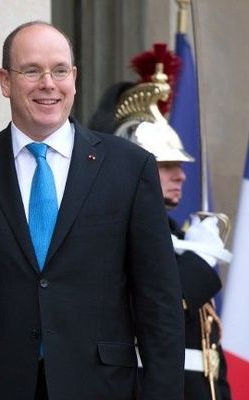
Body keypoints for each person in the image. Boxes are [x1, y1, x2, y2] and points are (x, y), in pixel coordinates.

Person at [0, 21, 184, 400]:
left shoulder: (129, 167)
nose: (48, 83)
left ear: (75, 78)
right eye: (31, 70)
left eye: (60, 70)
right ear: (5, 81)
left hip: (102, 387)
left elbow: (159, 298)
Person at [91, 47, 232, 400]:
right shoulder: (110, 232)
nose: (181, 176)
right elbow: (160, 301)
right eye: (167, 165)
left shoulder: (178, 235)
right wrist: (199, 261)